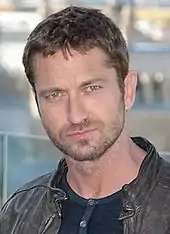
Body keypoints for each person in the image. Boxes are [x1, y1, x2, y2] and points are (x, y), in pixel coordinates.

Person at [0, 5, 170, 234]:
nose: (75, 115)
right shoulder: (20, 212)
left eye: (91, 88)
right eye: (55, 95)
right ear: (37, 104)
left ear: (127, 90)